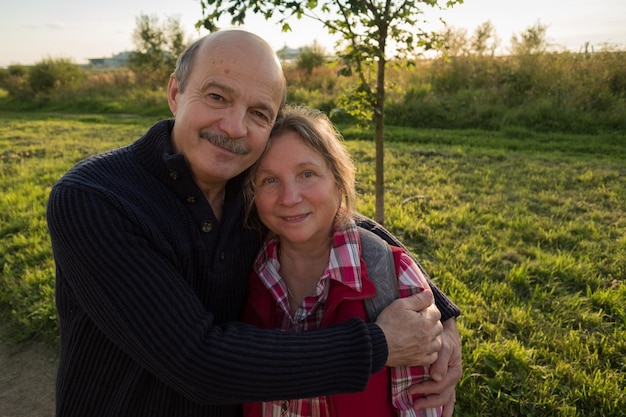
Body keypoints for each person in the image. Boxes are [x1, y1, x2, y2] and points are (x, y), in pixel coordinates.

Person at [46, 29, 461, 417]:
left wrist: (441, 315)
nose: (234, 126)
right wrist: (380, 344)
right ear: (176, 92)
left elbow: (336, 220)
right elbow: (199, 363)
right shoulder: (95, 199)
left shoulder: (250, 187)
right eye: (217, 96)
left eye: (259, 112)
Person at [240, 104, 442, 417]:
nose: (289, 197)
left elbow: (419, 406)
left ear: (338, 179)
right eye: (269, 180)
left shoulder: (390, 276)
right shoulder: (248, 270)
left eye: (307, 174)